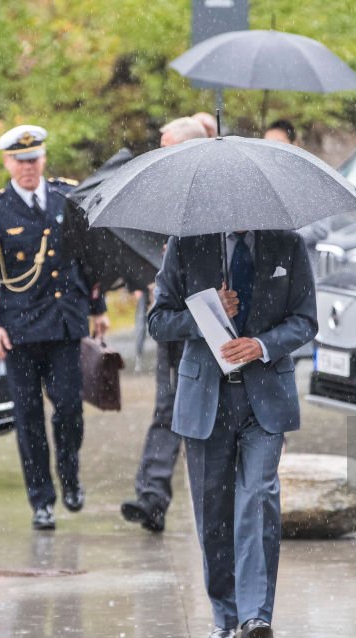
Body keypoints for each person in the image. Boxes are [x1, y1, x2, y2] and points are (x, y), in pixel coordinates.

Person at [148, 228, 317, 638]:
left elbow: (305, 320)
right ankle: (224, 612)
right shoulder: (187, 244)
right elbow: (158, 321)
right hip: (206, 398)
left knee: (258, 498)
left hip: (266, 398)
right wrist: (205, 314)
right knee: (214, 512)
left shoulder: (288, 244)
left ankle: (255, 615)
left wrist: (262, 344)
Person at [0, 124, 109, 531]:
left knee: (68, 407)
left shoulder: (69, 196)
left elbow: (87, 257)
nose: (28, 167)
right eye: (19, 160)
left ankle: (69, 475)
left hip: (65, 323)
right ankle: (41, 500)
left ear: (44, 159)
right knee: (28, 416)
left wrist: (98, 307)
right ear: (7, 162)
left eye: (34, 159)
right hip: (19, 329)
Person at [121, 116, 209, 533]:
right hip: (173, 320)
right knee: (167, 405)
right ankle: (152, 496)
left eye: (166, 147)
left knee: (204, 414)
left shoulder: (218, 195)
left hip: (214, 324)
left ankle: (210, 498)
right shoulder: (161, 197)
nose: (159, 156)